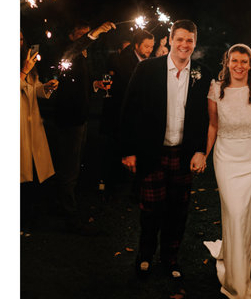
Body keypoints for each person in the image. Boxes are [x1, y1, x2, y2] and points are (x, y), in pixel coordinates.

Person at [121, 20, 212, 279]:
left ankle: (170, 259)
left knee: (178, 211)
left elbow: (205, 117)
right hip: (152, 151)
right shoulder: (147, 68)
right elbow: (129, 110)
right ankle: (145, 255)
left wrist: (199, 150)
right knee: (150, 209)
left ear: (195, 43)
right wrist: (128, 151)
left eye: (190, 40)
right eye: (180, 39)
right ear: (170, 39)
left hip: (182, 154)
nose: (184, 45)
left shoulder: (202, 74)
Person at [202, 44, 251, 299]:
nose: (239, 66)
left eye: (244, 62)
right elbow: (213, 125)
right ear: (227, 63)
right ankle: (238, 283)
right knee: (236, 214)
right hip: (225, 157)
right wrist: (203, 153)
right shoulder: (216, 89)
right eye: (234, 61)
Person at [45, 20, 115, 234]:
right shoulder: (68, 53)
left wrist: (95, 85)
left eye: (88, 34)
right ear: (72, 36)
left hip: (80, 118)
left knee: (72, 165)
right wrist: (94, 33)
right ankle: (69, 216)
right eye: (82, 34)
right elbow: (75, 49)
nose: (86, 38)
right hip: (69, 118)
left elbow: (79, 83)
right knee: (69, 168)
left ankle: (62, 205)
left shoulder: (83, 56)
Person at [98, 29, 154, 199]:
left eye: (151, 46)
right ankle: (111, 186)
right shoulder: (123, 61)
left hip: (139, 114)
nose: (149, 50)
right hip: (121, 112)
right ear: (136, 45)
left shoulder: (147, 61)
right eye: (146, 46)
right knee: (117, 149)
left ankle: (134, 187)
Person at [20, 31, 60, 233]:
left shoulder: (28, 66)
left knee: (32, 174)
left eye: (20, 39)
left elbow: (34, 90)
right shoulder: (26, 68)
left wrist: (47, 87)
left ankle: (29, 219)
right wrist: (23, 72)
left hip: (31, 124)